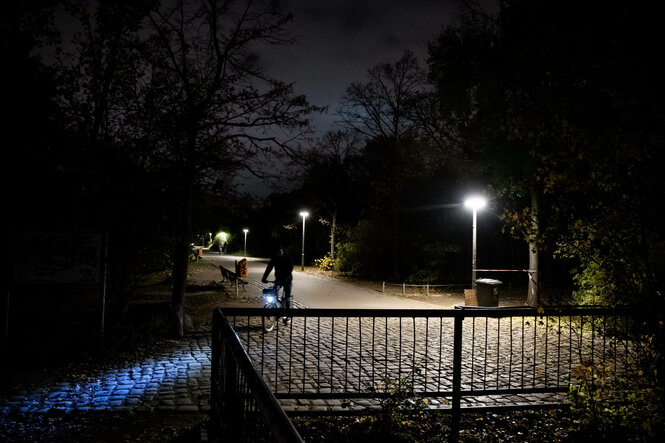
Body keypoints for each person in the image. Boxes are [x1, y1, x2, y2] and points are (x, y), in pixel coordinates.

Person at [261, 247, 294, 314]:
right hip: (278, 279)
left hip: (287, 280)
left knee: (287, 297)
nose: (279, 253)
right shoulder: (274, 258)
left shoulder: (288, 258)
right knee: (274, 292)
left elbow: (290, 269)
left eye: (280, 252)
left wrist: (286, 278)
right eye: (277, 252)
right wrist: (264, 278)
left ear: (283, 251)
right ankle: (275, 307)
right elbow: (269, 268)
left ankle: (288, 315)